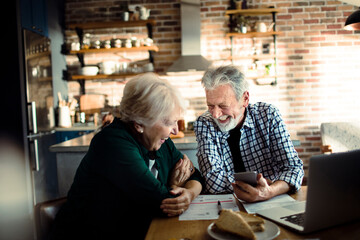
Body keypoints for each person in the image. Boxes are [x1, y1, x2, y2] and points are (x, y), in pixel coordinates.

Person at [50, 73, 203, 240]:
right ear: (139, 124)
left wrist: (190, 193)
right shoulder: (112, 143)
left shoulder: (160, 141)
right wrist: (174, 185)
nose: (175, 130)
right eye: (168, 122)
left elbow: (195, 175)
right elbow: (163, 203)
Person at [194, 65, 304, 203]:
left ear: (245, 99)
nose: (215, 114)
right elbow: (213, 181)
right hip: (228, 205)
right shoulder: (204, 123)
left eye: (223, 106)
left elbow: (294, 169)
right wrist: (261, 185)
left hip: (273, 201)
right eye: (210, 106)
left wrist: (269, 191)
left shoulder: (268, 115)